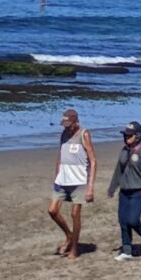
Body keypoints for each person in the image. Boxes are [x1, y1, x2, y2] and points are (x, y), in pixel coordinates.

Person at [48, 107, 96, 257]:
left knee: (75, 214)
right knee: (52, 211)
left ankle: (74, 248)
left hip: (79, 180)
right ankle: (69, 235)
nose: (66, 127)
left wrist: (90, 187)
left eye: (68, 124)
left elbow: (93, 161)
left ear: (76, 121)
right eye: (64, 124)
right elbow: (60, 155)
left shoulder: (84, 134)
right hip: (63, 179)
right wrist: (57, 175)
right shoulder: (64, 134)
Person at [108, 120, 141, 259]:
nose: (126, 137)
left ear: (138, 135)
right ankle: (126, 250)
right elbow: (118, 170)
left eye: (130, 135)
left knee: (133, 220)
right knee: (123, 221)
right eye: (125, 135)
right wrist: (112, 188)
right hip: (124, 191)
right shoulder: (123, 151)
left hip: (138, 191)